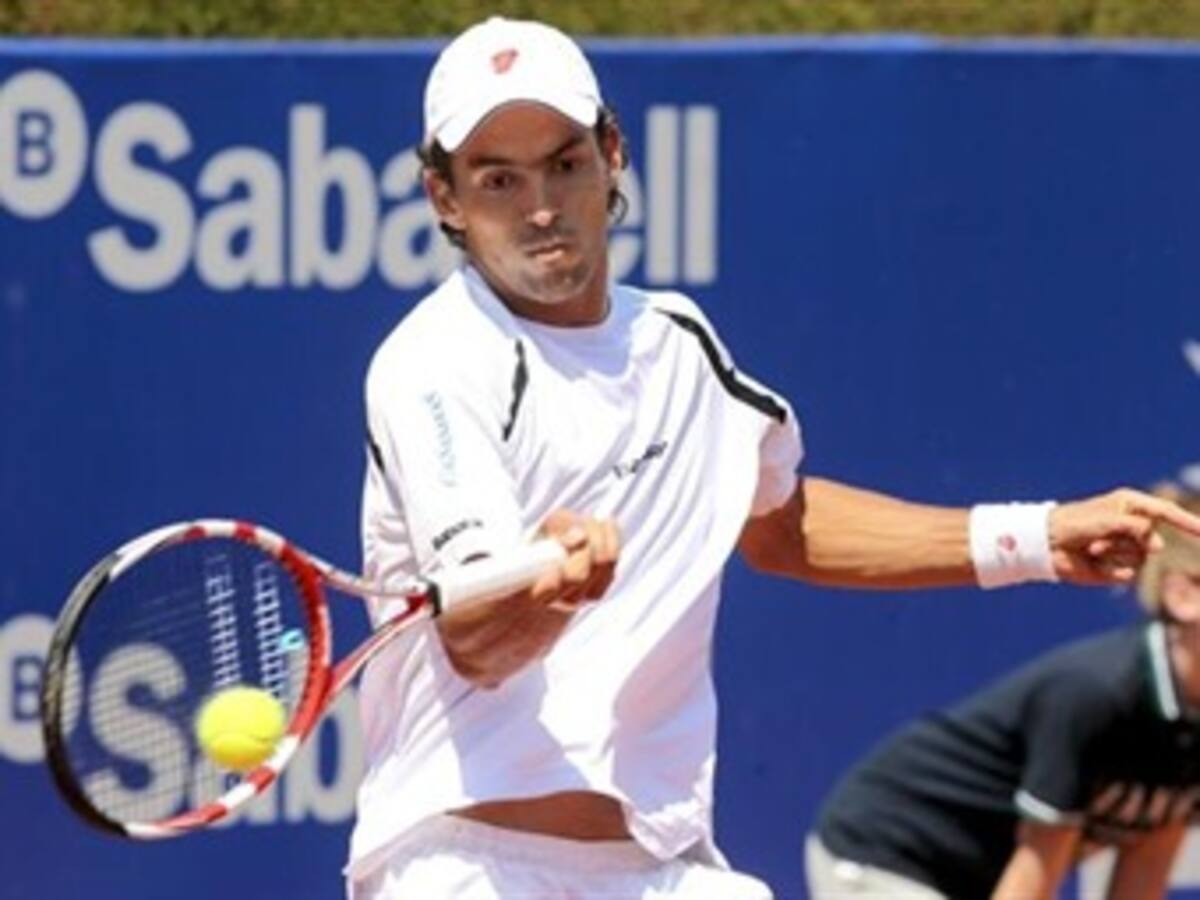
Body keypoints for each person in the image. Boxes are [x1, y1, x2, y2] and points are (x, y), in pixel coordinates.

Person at [345, 16, 1200, 899]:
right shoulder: (436, 365)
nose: (540, 208)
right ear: (444, 198)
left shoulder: (680, 346)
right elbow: (478, 642)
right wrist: (553, 589)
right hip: (468, 868)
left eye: (564, 163)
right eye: (497, 180)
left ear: (612, 155)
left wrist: (1038, 538)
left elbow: (782, 525)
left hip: (660, 867)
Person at [807, 488, 1200, 900]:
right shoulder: (1095, 694)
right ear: (1183, 596)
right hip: (886, 849)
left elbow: (1149, 856)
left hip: (974, 876)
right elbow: (1035, 874)